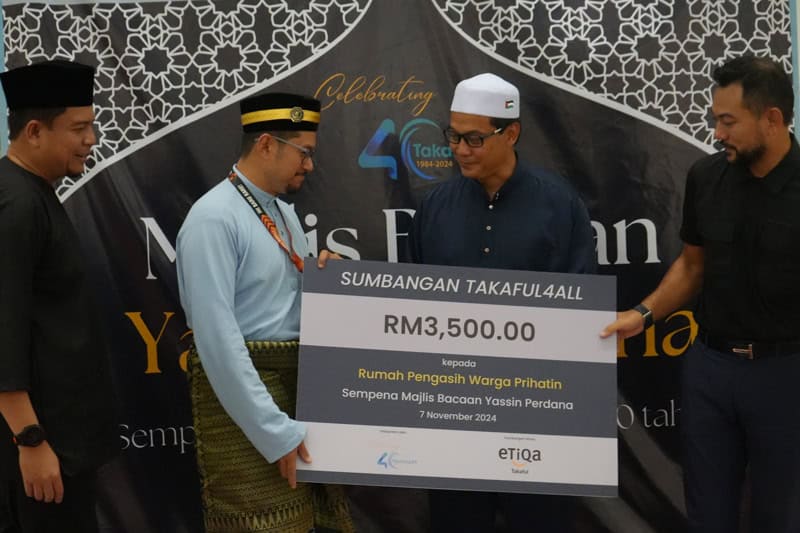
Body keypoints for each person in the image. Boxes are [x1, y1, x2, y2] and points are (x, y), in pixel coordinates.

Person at [601, 56, 800, 533]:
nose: (717, 133)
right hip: (710, 370)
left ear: (772, 119)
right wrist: (642, 314)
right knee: (708, 513)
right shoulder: (706, 177)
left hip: (785, 373)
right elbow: (693, 265)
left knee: (781, 515)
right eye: (715, 120)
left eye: (728, 121)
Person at [408, 73, 596, 532]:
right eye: (454, 136)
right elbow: (410, 308)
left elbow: (579, 312)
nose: (460, 149)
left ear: (511, 133)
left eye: (474, 138)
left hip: (536, 416)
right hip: (454, 414)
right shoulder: (435, 207)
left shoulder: (559, 205)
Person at [176, 92, 353, 532]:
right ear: (267, 144)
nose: (310, 165)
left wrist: (331, 284)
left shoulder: (284, 216)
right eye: (303, 153)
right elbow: (217, 342)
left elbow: (286, 314)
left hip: (293, 402)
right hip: (254, 418)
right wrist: (274, 432)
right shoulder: (213, 219)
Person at [0, 60, 118, 532]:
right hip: (38, 454)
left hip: (61, 449)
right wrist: (30, 440)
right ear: (34, 131)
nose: (91, 139)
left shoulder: (33, 192)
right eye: (79, 128)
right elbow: (3, 330)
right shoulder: (15, 204)